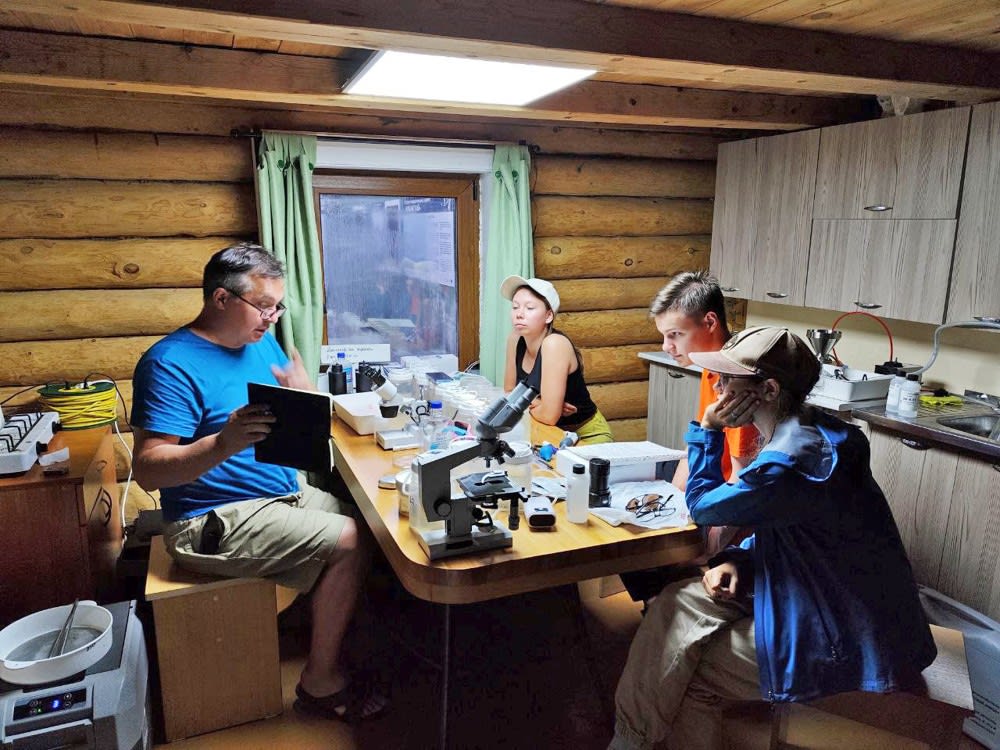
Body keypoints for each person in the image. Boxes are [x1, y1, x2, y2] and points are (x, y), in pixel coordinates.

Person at [609, 326, 936, 750]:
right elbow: (805, 530)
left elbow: (703, 507)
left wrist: (709, 429)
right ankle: (629, 740)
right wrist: (741, 558)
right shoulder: (823, 431)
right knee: (677, 602)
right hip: (843, 602)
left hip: (846, 637)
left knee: (687, 672)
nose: (719, 388)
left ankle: (629, 741)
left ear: (768, 390)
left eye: (728, 380)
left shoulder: (787, 463)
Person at [131, 242, 387, 723]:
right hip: (210, 517)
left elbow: (285, 416)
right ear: (221, 298)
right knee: (350, 540)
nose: (272, 318)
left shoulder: (258, 340)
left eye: (278, 307)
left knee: (377, 525)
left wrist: (305, 396)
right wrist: (222, 443)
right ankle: (319, 684)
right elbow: (148, 468)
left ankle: (340, 640)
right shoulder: (169, 363)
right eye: (263, 305)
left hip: (279, 492)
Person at [501, 275, 613, 445]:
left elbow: (549, 416)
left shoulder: (554, 344)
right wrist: (542, 404)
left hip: (586, 435)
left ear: (548, 316)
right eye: (515, 307)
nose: (519, 314)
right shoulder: (515, 339)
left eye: (529, 308)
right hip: (550, 433)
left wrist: (527, 406)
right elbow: (509, 392)